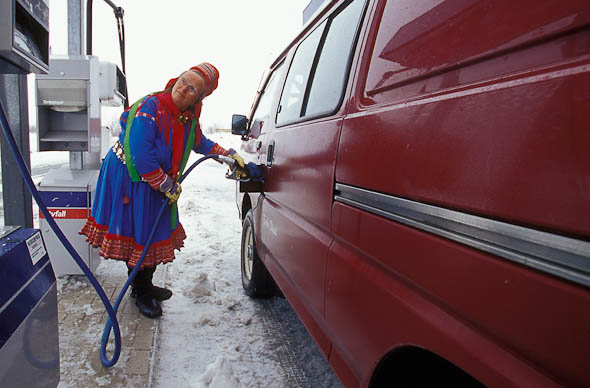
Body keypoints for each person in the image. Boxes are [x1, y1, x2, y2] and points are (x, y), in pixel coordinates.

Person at [80, 63, 245, 319]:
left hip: (156, 179)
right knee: (141, 231)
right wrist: (166, 184)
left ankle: (145, 284)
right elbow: (142, 154)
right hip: (130, 175)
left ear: (198, 98)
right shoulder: (151, 107)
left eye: (193, 89)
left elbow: (200, 142)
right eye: (184, 80)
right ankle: (140, 290)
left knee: (154, 229)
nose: (184, 88)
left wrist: (227, 155)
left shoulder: (188, 118)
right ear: (175, 79)